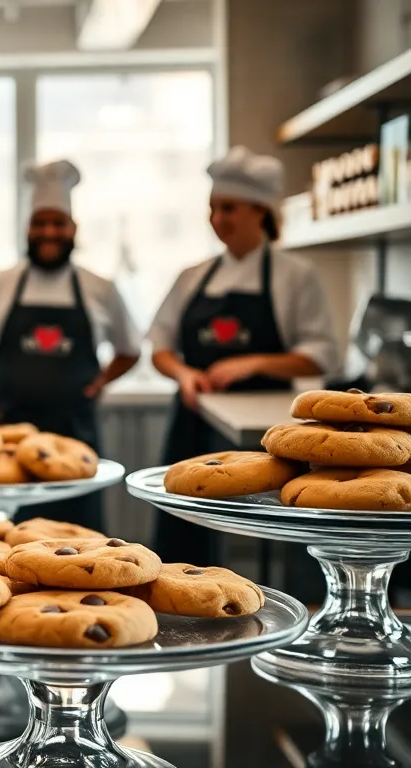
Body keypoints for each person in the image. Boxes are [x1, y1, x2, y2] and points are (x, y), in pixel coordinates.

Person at [149, 146, 340, 564]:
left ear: (260, 211)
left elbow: (323, 354)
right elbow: (159, 347)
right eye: (213, 209)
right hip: (195, 417)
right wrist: (184, 374)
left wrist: (253, 363)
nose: (218, 220)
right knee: (186, 525)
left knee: (270, 528)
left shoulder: (295, 275)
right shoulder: (192, 275)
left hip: (267, 433)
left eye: (229, 208)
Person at [0, 160, 141, 531]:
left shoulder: (99, 288)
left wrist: (100, 383)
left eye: (58, 223)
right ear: (27, 228)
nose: (49, 232)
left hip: (74, 437)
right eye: (40, 223)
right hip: (5, 435)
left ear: (73, 229)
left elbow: (130, 349)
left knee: (79, 541)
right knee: (1, 537)